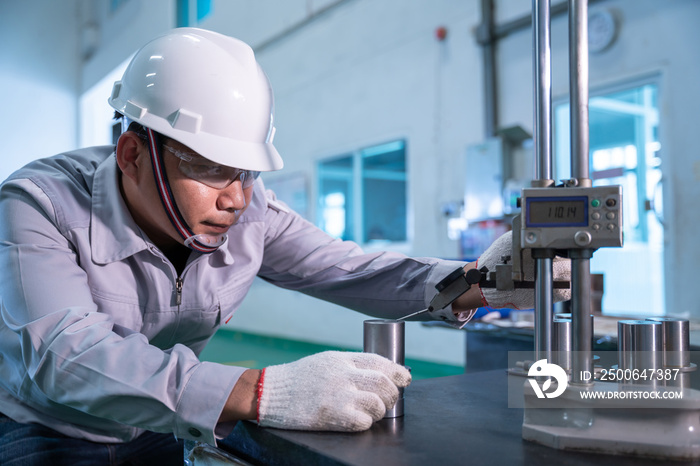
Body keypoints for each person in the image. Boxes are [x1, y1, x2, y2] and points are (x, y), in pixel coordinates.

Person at [0, 28, 569, 465]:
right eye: (212, 170)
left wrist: (474, 280)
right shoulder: (38, 205)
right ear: (131, 154)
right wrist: (257, 390)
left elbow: (345, 269)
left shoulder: (248, 208)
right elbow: (64, 354)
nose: (237, 199)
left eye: (247, 172)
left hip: (160, 425)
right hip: (46, 430)